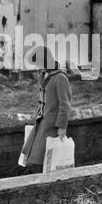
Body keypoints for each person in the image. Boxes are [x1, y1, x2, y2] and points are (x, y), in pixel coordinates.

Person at [20, 46, 72, 174]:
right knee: (34, 153)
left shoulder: (60, 77)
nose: (38, 67)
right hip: (42, 121)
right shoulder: (45, 74)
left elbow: (65, 105)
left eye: (38, 63)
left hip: (52, 125)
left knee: (47, 158)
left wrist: (62, 127)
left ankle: (46, 183)